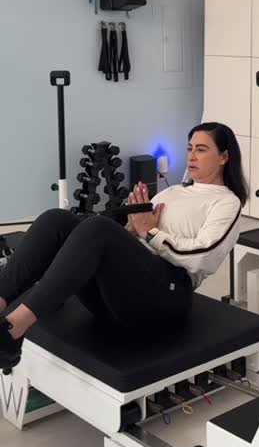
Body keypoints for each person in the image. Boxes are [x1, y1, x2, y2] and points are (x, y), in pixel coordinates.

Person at [0, 123, 246, 372]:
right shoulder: (172, 192)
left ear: (224, 157)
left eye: (201, 149)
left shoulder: (226, 202)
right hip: (122, 295)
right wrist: (131, 230)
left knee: (98, 228)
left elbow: (202, 257)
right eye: (190, 148)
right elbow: (133, 237)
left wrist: (150, 233)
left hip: (165, 297)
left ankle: (11, 331)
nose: (192, 156)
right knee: (57, 219)